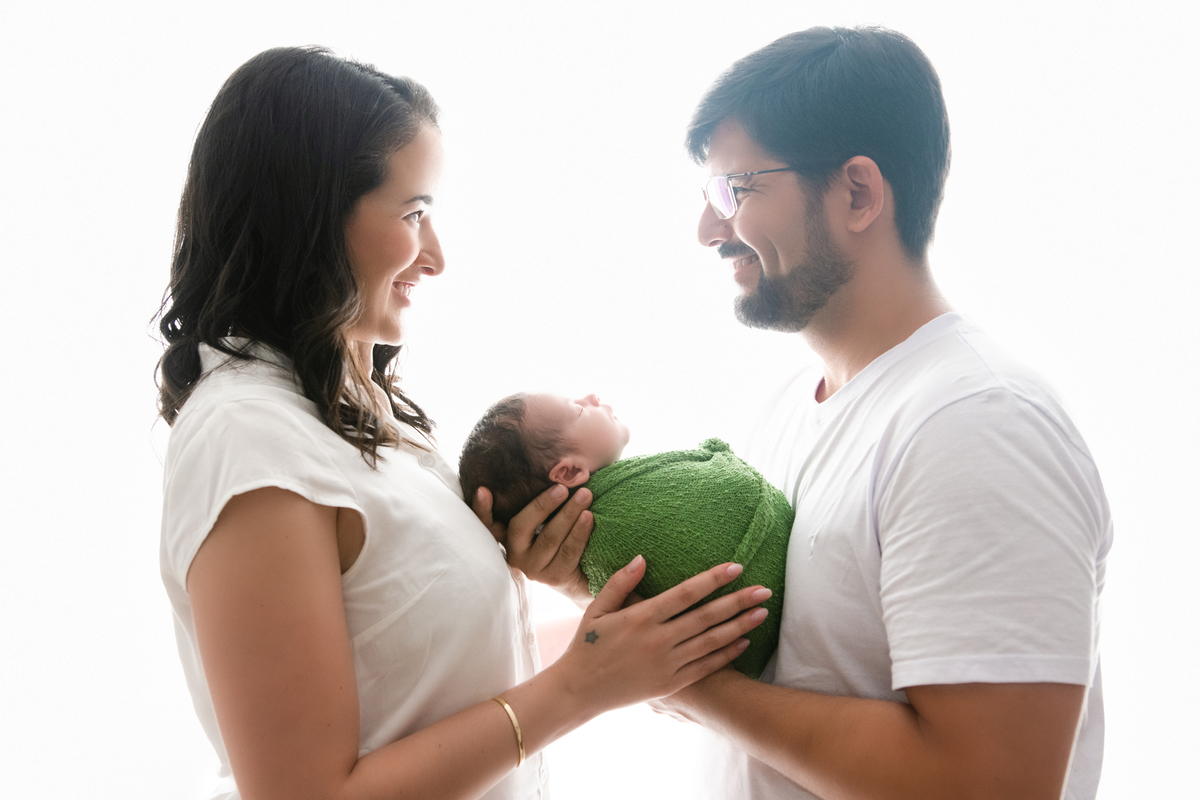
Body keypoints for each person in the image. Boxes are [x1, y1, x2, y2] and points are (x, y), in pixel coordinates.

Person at [155, 46, 770, 800]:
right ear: (310, 219)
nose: (436, 257)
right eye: (414, 215)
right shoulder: (245, 440)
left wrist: (565, 592)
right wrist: (580, 688)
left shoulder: (356, 414)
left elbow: (421, 679)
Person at [650, 26, 1112, 800]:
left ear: (858, 193)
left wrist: (692, 690)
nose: (707, 229)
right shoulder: (794, 407)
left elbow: (986, 784)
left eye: (735, 190)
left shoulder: (976, 423)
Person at [458, 392, 792, 678]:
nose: (590, 397)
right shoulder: (609, 529)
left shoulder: (635, 496)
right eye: (577, 409)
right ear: (571, 472)